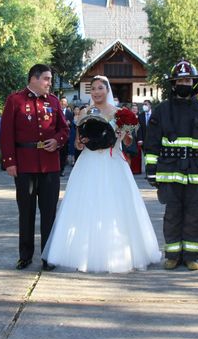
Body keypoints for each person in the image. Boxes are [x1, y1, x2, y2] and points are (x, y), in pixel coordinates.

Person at [43, 76, 161, 272]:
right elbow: (78, 143)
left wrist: (125, 135)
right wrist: (80, 143)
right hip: (89, 162)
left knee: (114, 205)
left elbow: (129, 143)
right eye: (93, 89)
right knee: (87, 205)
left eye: (100, 88)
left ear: (107, 90)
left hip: (113, 162)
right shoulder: (85, 112)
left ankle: (118, 252)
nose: (96, 92)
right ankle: (83, 253)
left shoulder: (119, 113)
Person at [144, 60, 198, 271]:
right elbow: (152, 143)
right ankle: (173, 255)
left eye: (187, 80)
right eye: (180, 80)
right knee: (172, 215)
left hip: (196, 171)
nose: (183, 83)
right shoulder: (162, 110)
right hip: (170, 171)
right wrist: (151, 169)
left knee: (195, 214)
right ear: (173, 84)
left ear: (194, 83)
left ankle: (192, 256)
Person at [0, 64, 69, 270]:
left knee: (49, 213)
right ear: (34, 79)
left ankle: (48, 256)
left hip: (50, 166)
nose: (49, 83)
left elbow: (64, 129)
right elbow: (6, 134)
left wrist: (58, 140)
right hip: (25, 165)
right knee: (26, 212)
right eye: (46, 79)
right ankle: (25, 255)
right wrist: (10, 162)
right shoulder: (15, 101)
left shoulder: (54, 102)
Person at [59, 97, 74, 177]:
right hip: (56, 136)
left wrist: (69, 123)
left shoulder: (69, 113)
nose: (63, 103)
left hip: (65, 137)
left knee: (63, 155)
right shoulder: (56, 110)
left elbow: (71, 124)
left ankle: (62, 170)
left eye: (64, 102)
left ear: (67, 104)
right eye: (61, 101)